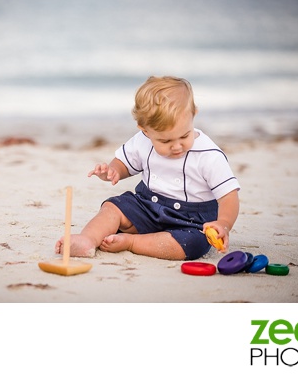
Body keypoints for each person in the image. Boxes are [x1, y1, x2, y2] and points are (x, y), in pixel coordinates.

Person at [55, 76, 241, 260]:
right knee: (113, 207)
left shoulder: (208, 155)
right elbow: (124, 164)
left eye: (184, 136)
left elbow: (229, 196)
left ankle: (132, 242)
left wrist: (223, 224)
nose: (177, 146)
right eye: (165, 140)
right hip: (148, 206)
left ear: (194, 114)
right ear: (145, 130)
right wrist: (113, 171)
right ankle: (87, 240)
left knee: (191, 244)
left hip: (190, 220)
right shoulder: (142, 141)